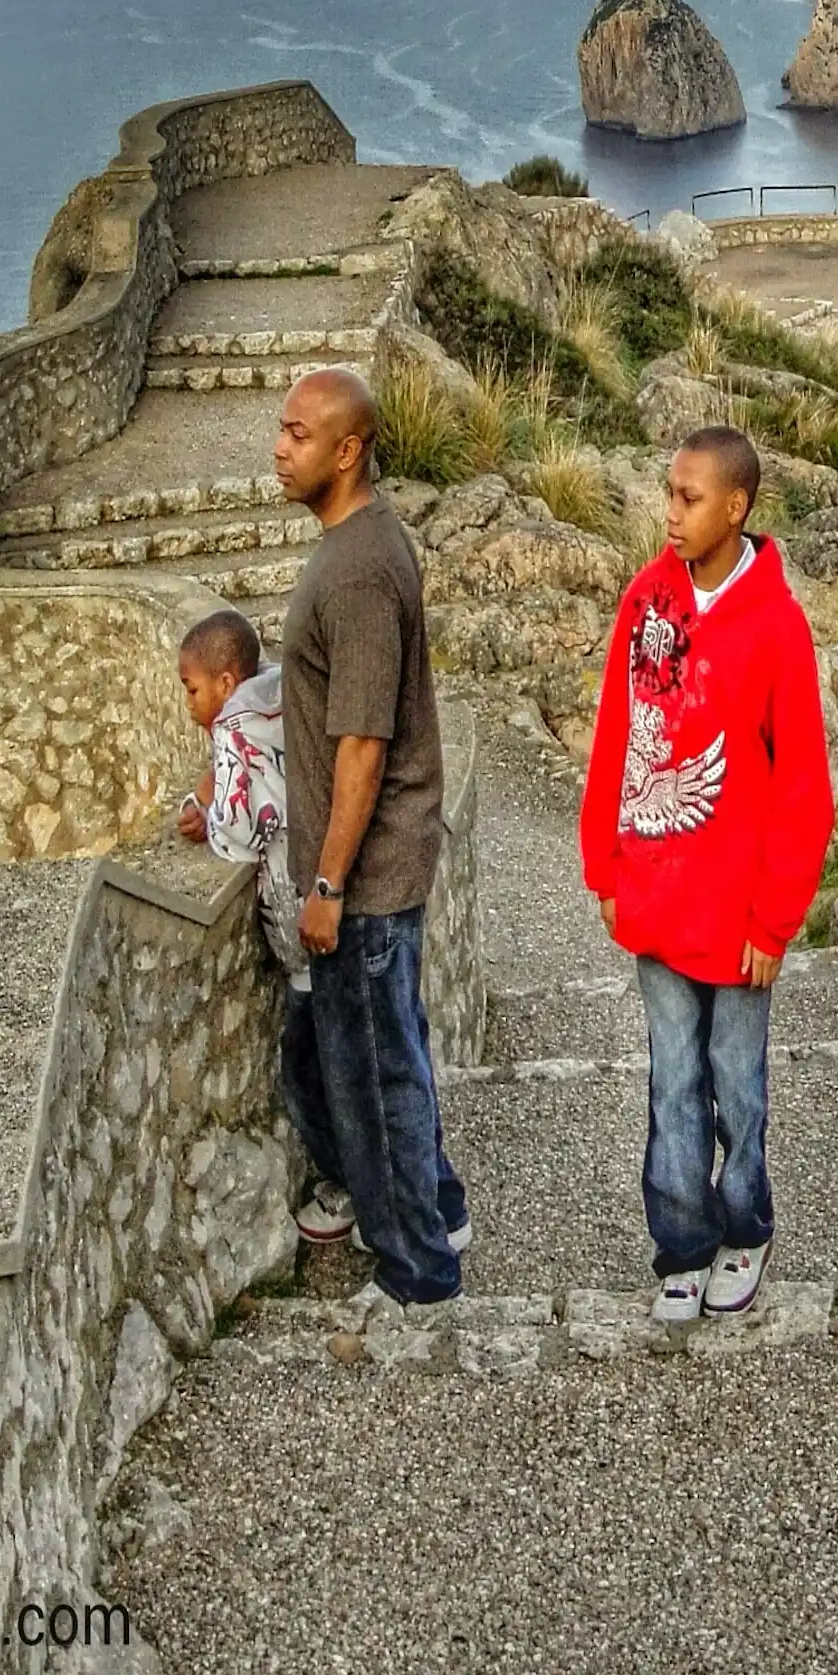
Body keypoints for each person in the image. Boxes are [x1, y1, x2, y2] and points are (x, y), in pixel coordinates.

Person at [580, 425, 835, 1328]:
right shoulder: (647, 600)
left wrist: (775, 923)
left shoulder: (776, 625)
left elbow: (805, 786)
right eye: (668, 493)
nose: (672, 512)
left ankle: (746, 1229)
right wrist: (601, 863)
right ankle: (681, 1244)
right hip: (654, 894)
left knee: (738, 1080)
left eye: (690, 498)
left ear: (737, 507)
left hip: (737, 919)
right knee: (671, 1080)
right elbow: (616, 733)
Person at [272, 365, 470, 1311]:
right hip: (386, 866)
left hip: (368, 878)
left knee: (378, 1080)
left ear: (348, 451)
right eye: (283, 429)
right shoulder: (367, 541)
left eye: (300, 433)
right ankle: (440, 1207)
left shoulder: (354, 570)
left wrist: (326, 884)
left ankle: (418, 1275)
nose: (280, 446)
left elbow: (361, 743)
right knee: (387, 1051)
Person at [176, 607, 302, 992]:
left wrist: (207, 814)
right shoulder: (277, 700)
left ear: (227, 683)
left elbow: (238, 834)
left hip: (294, 908)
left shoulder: (232, 731)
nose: (188, 703)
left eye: (192, 688)